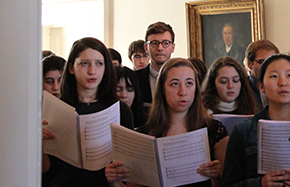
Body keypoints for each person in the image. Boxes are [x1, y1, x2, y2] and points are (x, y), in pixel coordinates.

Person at [106, 58, 229, 187]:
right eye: (175, 84)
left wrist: (216, 176)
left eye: (189, 83)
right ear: (163, 89)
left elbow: (229, 182)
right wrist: (114, 182)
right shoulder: (144, 135)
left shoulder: (214, 130)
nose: (183, 92)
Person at [42, 37, 134, 187]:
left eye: (99, 64)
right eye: (85, 64)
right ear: (71, 68)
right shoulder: (56, 108)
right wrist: (40, 142)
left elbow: (129, 166)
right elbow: (48, 169)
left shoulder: (119, 109)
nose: (92, 71)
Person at [222, 54, 290, 187]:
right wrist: (259, 184)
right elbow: (228, 184)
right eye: (274, 76)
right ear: (261, 87)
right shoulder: (243, 131)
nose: (282, 83)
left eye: (289, 75)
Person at [136, 21, 176, 110]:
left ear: (173, 47)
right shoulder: (135, 79)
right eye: (154, 43)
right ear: (146, 48)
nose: (160, 48)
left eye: (166, 43)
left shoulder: (184, 78)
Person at [244, 40, 279, 109]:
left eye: (271, 62)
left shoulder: (281, 86)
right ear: (249, 64)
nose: (267, 67)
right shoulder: (242, 89)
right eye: (262, 62)